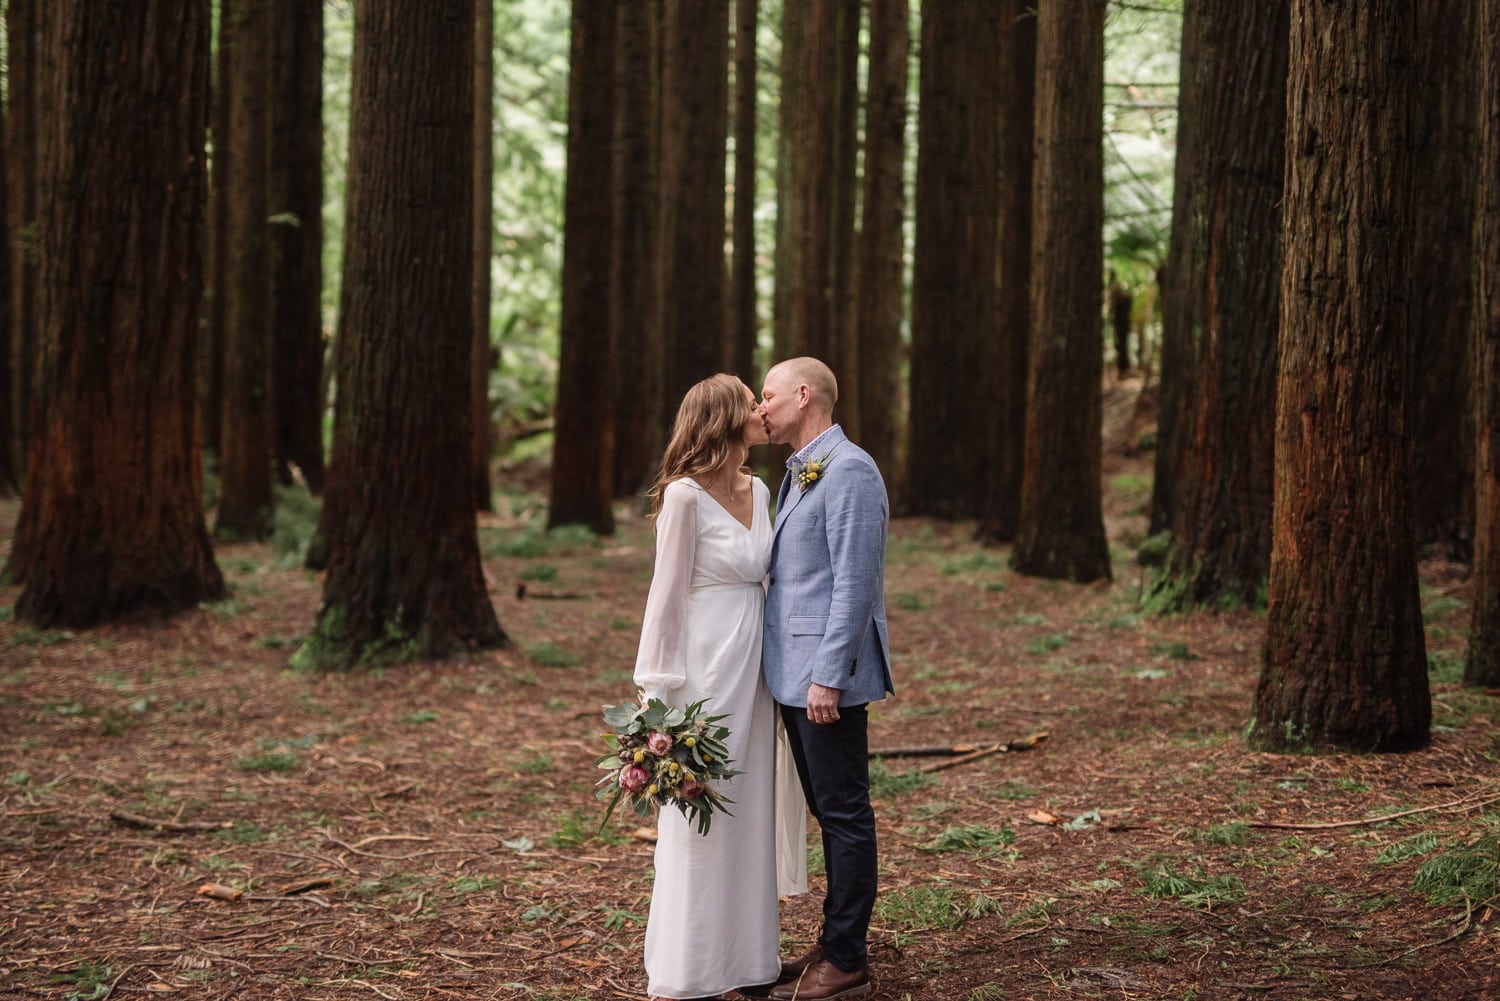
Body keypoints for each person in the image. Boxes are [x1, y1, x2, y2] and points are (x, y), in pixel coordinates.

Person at [632, 373, 805, 1001]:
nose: (762, 409)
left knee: (748, 808)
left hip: (754, 670)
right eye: (750, 401)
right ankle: (694, 966)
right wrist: (656, 698)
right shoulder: (682, 497)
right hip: (700, 674)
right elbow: (665, 598)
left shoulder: (761, 490)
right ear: (724, 418)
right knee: (701, 814)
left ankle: (750, 959)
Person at [743, 357, 894, 1001]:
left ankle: (847, 958)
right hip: (794, 674)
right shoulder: (803, 472)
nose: (761, 408)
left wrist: (829, 677)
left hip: (822, 679)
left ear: (803, 396)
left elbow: (855, 586)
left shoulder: (852, 470)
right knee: (826, 810)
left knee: (844, 812)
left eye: (769, 395)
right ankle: (834, 941)